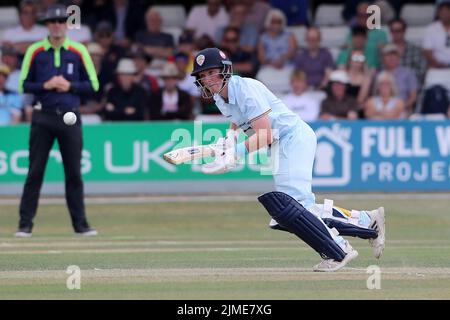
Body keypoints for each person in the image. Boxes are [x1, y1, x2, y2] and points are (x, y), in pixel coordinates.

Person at [190, 47, 385, 272]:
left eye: (212, 72)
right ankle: (366, 221)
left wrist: (235, 154)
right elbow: (237, 118)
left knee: (294, 210)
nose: (208, 79)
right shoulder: (219, 96)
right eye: (202, 76)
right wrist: (229, 138)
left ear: (225, 71)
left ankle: (340, 249)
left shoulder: (245, 89)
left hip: (292, 138)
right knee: (292, 212)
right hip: (283, 143)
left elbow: (265, 134)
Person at [16, 4, 99, 237]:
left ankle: (80, 225)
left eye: (61, 21)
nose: (57, 25)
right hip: (42, 116)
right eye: (52, 22)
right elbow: (24, 84)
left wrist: (69, 85)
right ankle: (25, 225)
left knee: (74, 173)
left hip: (70, 117)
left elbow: (93, 85)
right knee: (35, 172)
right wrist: (46, 85)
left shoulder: (78, 51)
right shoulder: (35, 51)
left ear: (67, 24)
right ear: (47, 25)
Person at [380, 44, 418, 116]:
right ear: (383, 58)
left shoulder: (408, 73)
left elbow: (413, 97)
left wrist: (400, 108)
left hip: (403, 111)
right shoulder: (379, 74)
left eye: (394, 54)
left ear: (399, 57)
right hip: (381, 112)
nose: (391, 57)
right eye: (388, 55)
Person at [388, 18, 427, 83]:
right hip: (389, 86)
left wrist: (404, 78)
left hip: (411, 87)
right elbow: (382, 71)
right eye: (393, 30)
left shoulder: (415, 49)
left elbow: (421, 71)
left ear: (404, 30)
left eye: (399, 30)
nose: (396, 33)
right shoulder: (385, 50)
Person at [422, 0, 450, 68]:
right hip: (437, 66)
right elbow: (427, 51)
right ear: (438, 13)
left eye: (447, 12)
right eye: (443, 12)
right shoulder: (431, 29)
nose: (445, 14)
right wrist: (439, 65)